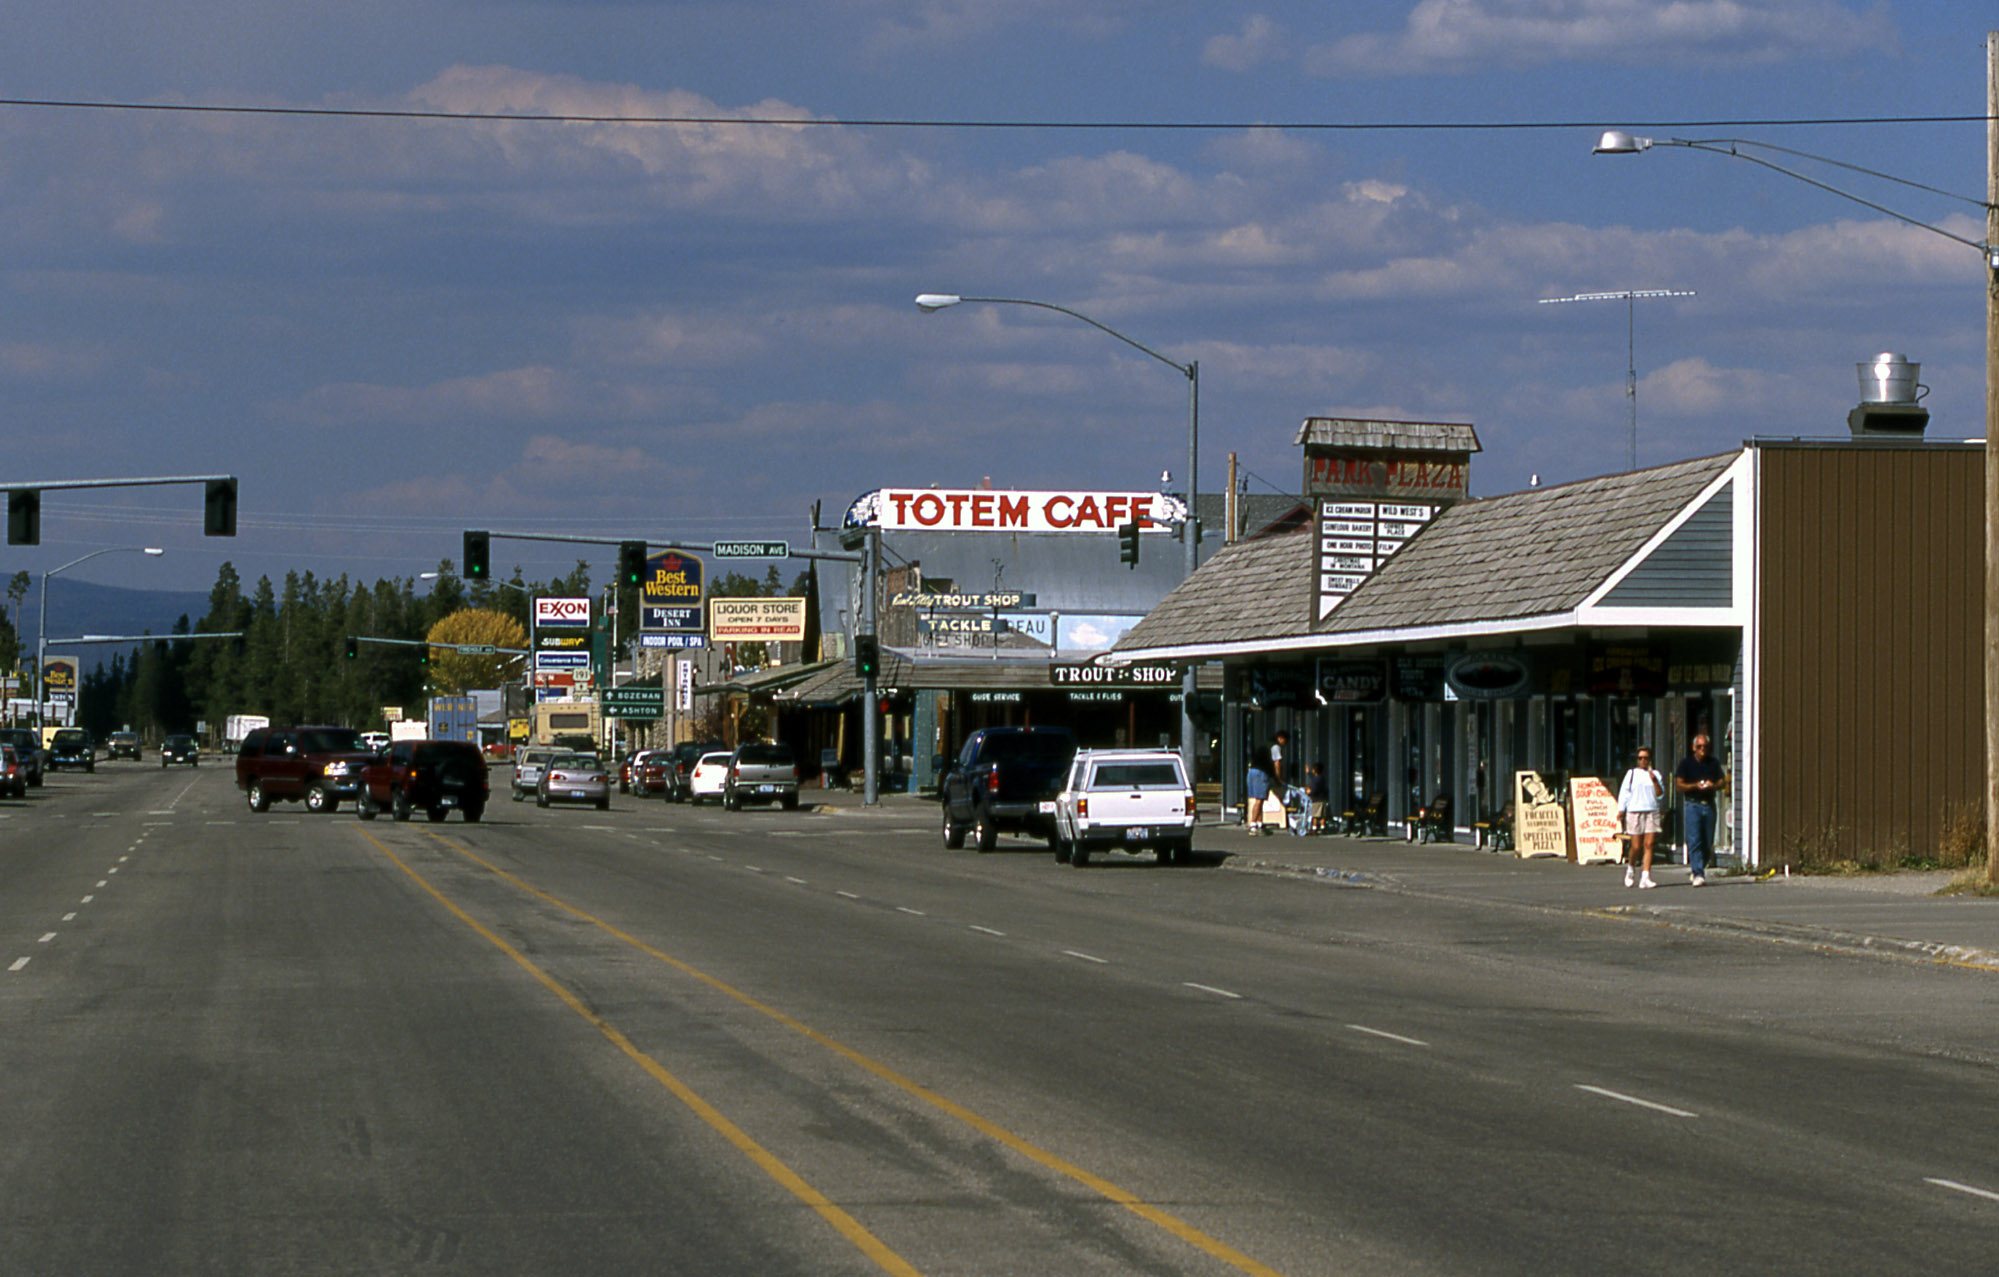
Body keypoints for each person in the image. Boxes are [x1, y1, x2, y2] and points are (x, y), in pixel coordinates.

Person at [1674, 733, 1729, 886]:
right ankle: (1698, 872)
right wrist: (1695, 786)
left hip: (1709, 804)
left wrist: (1714, 785)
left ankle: (1699, 866)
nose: (1702, 749)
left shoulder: (1713, 763)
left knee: (1707, 841)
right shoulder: (1686, 764)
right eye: (1699, 746)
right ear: (1693, 748)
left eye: (1705, 746)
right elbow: (1679, 786)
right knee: (1695, 840)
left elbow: (1722, 782)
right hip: (1693, 804)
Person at [1615, 747, 1666, 890]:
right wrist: (1621, 809)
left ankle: (1646, 876)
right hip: (1634, 811)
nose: (1643, 761)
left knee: (1649, 844)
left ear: (1650, 759)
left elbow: (1660, 794)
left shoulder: (1655, 774)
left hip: (1651, 810)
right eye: (1640, 758)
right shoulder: (1631, 774)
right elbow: (1624, 792)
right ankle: (1630, 869)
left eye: (1646, 758)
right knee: (1636, 846)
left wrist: (1654, 780)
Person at [1305, 762, 1330, 833]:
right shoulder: (1322, 778)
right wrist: (1308, 773)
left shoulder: (1315, 780)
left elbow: (1314, 789)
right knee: (1322, 815)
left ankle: (1314, 828)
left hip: (1316, 799)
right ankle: (1322, 828)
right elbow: (1314, 778)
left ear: (1315, 770)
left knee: (1315, 815)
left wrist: (1309, 792)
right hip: (1323, 799)